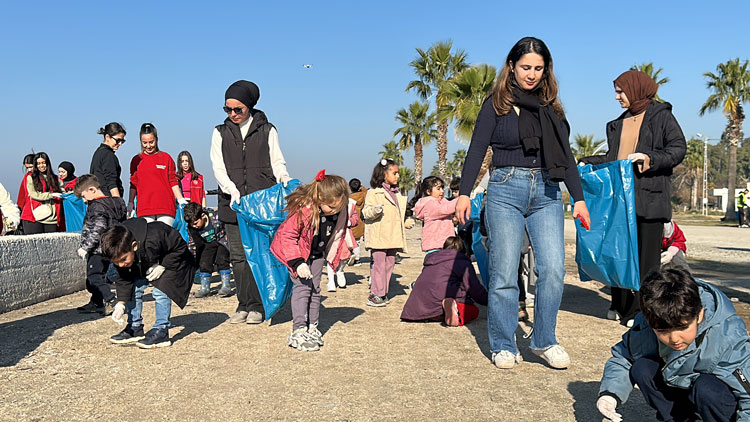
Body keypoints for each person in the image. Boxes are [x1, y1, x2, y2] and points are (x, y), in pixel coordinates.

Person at [455, 37, 591, 370]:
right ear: (512, 66)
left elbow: (567, 156)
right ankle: (503, 343)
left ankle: (544, 339)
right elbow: (476, 150)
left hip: (546, 191)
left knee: (554, 270)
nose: (531, 74)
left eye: (538, 68)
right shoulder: (496, 104)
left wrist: (579, 198)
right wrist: (462, 192)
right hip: (505, 188)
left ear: (546, 71)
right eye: (526, 67)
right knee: (504, 273)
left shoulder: (551, 108)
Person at [580, 69, 686, 327]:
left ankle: (642, 312)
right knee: (618, 254)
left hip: (649, 201)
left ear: (637, 89)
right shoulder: (619, 123)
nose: (617, 97)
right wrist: (586, 162)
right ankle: (619, 304)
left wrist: (650, 160)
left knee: (646, 261)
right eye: (616, 92)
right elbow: (613, 158)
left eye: (621, 91)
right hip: (619, 202)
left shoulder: (662, 116)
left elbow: (678, 148)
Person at [597, 268, 750, 422]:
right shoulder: (649, 323)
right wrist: (610, 394)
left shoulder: (727, 338)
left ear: (700, 314)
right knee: (642, 368)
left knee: (707, 388)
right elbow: (624, 357)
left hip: (718, 403)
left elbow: (748, 396)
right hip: (684, 392)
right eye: (662, 330)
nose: (674, 338)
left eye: (683, 327)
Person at [210, 80, 291, 324]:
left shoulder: (268, 130)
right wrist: (231, 190)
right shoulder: (219, 132)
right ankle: (243, 304)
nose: (232, 114)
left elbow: (277, 162)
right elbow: (218, 167)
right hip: (233, 204)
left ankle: (258, 305)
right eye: (228, 109)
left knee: (259, 254)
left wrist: (284, 178)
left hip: (260, 205)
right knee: (238, 257)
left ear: (250, 106)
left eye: (238, 109)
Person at [270, 171, 350, 351]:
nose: (335, 211)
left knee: (315, 289)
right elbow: (288, 236)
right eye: (331, 207)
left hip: (317, 253)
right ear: (319, 198)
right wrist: (298, 262)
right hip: (297, 254)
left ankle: (312, 327)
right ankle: (298, 329)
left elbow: (338, 234)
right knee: (302, 288)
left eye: (339, 207)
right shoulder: (303, 209)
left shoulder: (340, 210)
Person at [101, 218, 196, 348]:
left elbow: (180, 247)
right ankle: (135, 327)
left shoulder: (155, 235)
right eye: (116, 262)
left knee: (161, 290)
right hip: (146, 261)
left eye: (123, 259)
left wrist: (163, 265)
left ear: (134, 246)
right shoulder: (120, 251)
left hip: (174, 260)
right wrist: (121, 304)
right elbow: (124, 279)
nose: (121, 265)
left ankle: (161, 330)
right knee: (134, 288)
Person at [401, 236, 487, 326]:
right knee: (473, 311)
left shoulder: (432, 260)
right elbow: (474, 289)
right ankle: (456, 311)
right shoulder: (462, 262)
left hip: (415, 309)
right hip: (439, 300)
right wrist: (490, 300)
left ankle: (444, 313)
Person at [73, 174, 127, 315]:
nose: (84, 201)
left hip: (98, 248)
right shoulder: (116, 202)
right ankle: (96, 302)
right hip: (114, 245)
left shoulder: (96, 206)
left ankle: (110, 299)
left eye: (84, 196)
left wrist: (86, 247)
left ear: (92, 190)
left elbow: (98, 228)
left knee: (94, 276)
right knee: (100, 275)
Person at [362, 159, 407, 307]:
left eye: (398, 173)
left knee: (390, 264)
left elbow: (399, 214)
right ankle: (376, 293)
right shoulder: (374, 192)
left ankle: (383, 292)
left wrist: (406, 223)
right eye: (394, 173)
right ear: (383, 174)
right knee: (379, 265)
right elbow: (365, 212)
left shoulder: (397, 193)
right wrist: (375, 211)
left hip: (393, 235)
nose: (397, 176)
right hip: (379, 236)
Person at [128, 123, 187, 225]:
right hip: (145, 209)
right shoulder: (136, 160)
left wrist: (181, 199)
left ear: (156, 139)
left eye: (151, 142)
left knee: (164, 238)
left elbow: (173, 181)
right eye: (145, 143)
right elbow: (133, 184)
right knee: (149, 239)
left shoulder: (166, 158)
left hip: (165, 208)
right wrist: (130, 203)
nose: (148, 146)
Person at [183, 202, 232, 298]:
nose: (194, 226)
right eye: (192, 224)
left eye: (196, 223)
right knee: (204, 262)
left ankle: (226, 285)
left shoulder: (216, 217)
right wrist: (192, 257)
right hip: (207, 244)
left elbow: (226, 228)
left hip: (221, 241)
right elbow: (192, 243)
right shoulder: (191, 228)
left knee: (222, 259)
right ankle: (205, 288)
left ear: (203, 216)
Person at [20, 152, 64, 234]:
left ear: (47, 163)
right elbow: (33, 194)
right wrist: (51, 195)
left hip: (52, 218)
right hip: (33, 216)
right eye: (38, 163)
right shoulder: (30, 177)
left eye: (43, 163)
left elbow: (62, 192)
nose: (41, 166)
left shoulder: (55, 178)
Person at [413, 176, 457, 253]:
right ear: (428, 192)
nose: (442, 191)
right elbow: (445, 209)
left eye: (442, 188)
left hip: (446, 244)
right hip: (435, 245)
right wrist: (462, 199)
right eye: (438, 189)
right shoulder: (430, 204)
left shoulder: (442, 202)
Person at [325, 196, 358, 292]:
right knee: (330, 257)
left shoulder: (351, 203)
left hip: (346, 235)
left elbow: (355, 218)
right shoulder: (328, 201)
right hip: (332, 234)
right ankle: (331, 281)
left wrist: (350, 221)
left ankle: (340, 271)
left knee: (345, 256)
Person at [90, 122, 126, 197]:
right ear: (107, 137)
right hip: (108, 201)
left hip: (98, 200)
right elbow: (111, 182)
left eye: (122, 141)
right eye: (117, 140)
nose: (120, 144)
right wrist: (119, 204)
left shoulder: (98, 152)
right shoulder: (108, 155)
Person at [348, 178, 367, 266]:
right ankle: (357, 259)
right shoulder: (363, 195)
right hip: (361, 222)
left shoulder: (349, 198)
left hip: (351, 221)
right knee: (357, 242)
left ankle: (351, 256)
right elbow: (365, 189)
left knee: (349, 241)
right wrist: (360, 186)